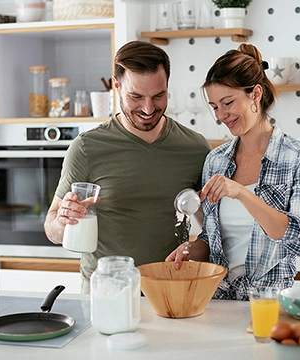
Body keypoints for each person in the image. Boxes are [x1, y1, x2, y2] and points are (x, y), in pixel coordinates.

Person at [44, 40, 212, 293]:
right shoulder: (87, 148)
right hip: (105, 295)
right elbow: (52, 229)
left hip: (170, 292)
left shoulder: (195, 148)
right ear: (117, 86)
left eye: (158, 96)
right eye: (136, 97)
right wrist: (63, 221)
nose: (147, 108)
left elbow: (212, 229)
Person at [166, 44, 300, 300]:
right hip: (217, 301)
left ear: (255, 94)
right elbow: (212, 238)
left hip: (270, 303)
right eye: (215, 106)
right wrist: (190, 250)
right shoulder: (215, 160)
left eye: (228, 102)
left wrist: (242, 193)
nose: (221, 115)